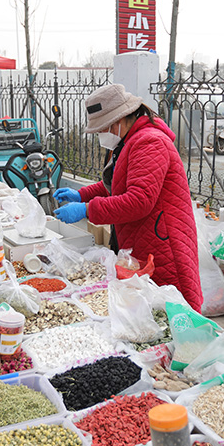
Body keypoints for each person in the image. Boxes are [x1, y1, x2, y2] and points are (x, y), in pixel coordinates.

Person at [53, 83, 202, 311]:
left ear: (118, 121)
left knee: (174, 314)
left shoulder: (149, 142)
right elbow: (116, 185)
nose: (102, 135)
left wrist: (87, 210)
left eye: (103, 129)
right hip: (145, 239)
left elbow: (139, 201)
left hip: (163, 244)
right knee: (149, 314)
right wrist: (81, 194)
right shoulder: (129, 141)